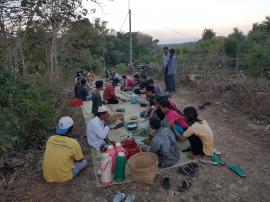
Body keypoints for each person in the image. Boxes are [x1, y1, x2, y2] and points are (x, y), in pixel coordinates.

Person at [42, 116, 89, 183]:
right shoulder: (73, 143)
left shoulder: (51, 139)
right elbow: (80, 160)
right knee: (86, 159)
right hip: (63, 176)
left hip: (47, 175)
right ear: (71, 129)